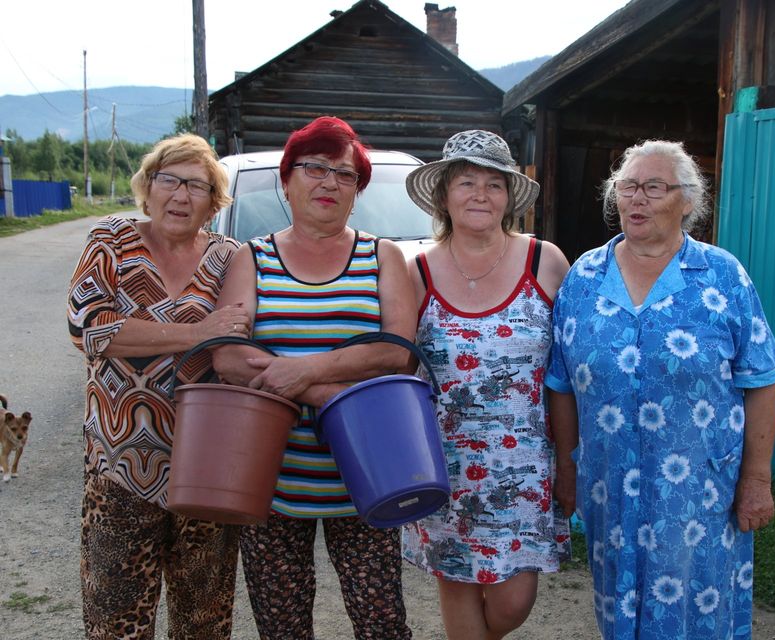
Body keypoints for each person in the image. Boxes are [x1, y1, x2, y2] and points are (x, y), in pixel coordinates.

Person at [545, 139, 775, 639]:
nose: (637, 199)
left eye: (654, 187)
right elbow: (562, 383)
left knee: (697, 610)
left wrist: (756, 481)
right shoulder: (584, 276)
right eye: (627, 186)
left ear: (688, 202)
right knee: (618, 607)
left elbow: (763, 380)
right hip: (610, 487)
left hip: (699, 491)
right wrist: (567, 467)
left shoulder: (721, 275)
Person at [211, 116, 416, 640]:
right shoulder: (251, 258)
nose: (329, 183)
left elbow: (397, 353)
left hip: (368, 476)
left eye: (345, 175)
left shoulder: (383, 256)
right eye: (316, 168)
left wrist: (305, 372)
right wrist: (330, 390)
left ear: (357, 191)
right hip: (271, 476)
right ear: (287, 179)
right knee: (281, 627)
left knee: (382, 624)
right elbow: (228, 358)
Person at [67, 133, 249, 639]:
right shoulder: (111, 240)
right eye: (168, 180)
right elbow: (89, 329)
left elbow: (239, 338)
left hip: (207, 469)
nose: (181, 195)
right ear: (147, 189)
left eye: (197, 185)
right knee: (114, 620)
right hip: (118, 466)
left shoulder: (229, 258)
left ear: (215, 203)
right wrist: (197, 332)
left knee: (204, 620)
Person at [399, 130, 573, 640]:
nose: (480, 194)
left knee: (513, 600)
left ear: (509, 197)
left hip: (524, 466)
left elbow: (566, 375)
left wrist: (568, 462)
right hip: (444, 465)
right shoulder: (419, 272)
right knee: (456, 583)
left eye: (494, 184)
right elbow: (398, 368)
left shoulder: (547, 262)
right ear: (444, 196)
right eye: (466, 182)